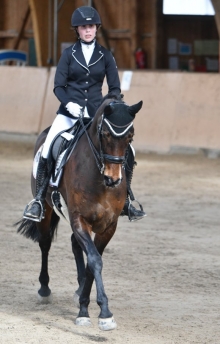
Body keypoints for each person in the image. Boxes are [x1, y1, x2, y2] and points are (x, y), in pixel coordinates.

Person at [23, 6, 146, 222]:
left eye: (90, 26)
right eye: (83, 27)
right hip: (69, 113)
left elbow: (115, 88)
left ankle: (126, 200)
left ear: (96, 28)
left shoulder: (106, 56)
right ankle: (39, 199)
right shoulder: (68, 55)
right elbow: (58, 86)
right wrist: (69, 104)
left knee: (130, 151)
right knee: (47, 147)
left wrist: (108, 106)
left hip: (96, 115)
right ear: (77, 30)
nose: (87, 30)